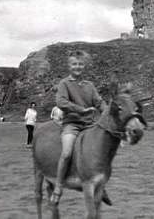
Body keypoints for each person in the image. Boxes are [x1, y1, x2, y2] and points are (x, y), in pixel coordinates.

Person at [50, 50, 106, 204]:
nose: (78, 67)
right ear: (69, 66)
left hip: (89, 125)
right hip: (72, 124)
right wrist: (81, 110)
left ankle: (100, 185)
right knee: (67, 153)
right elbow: (61, 102)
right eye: (74, 64)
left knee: (101, 153)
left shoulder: (90, 85)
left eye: (80, 64)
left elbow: (99, 102)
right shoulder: (64, 84)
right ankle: (58, 186)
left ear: (84, 66)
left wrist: (107, 112)